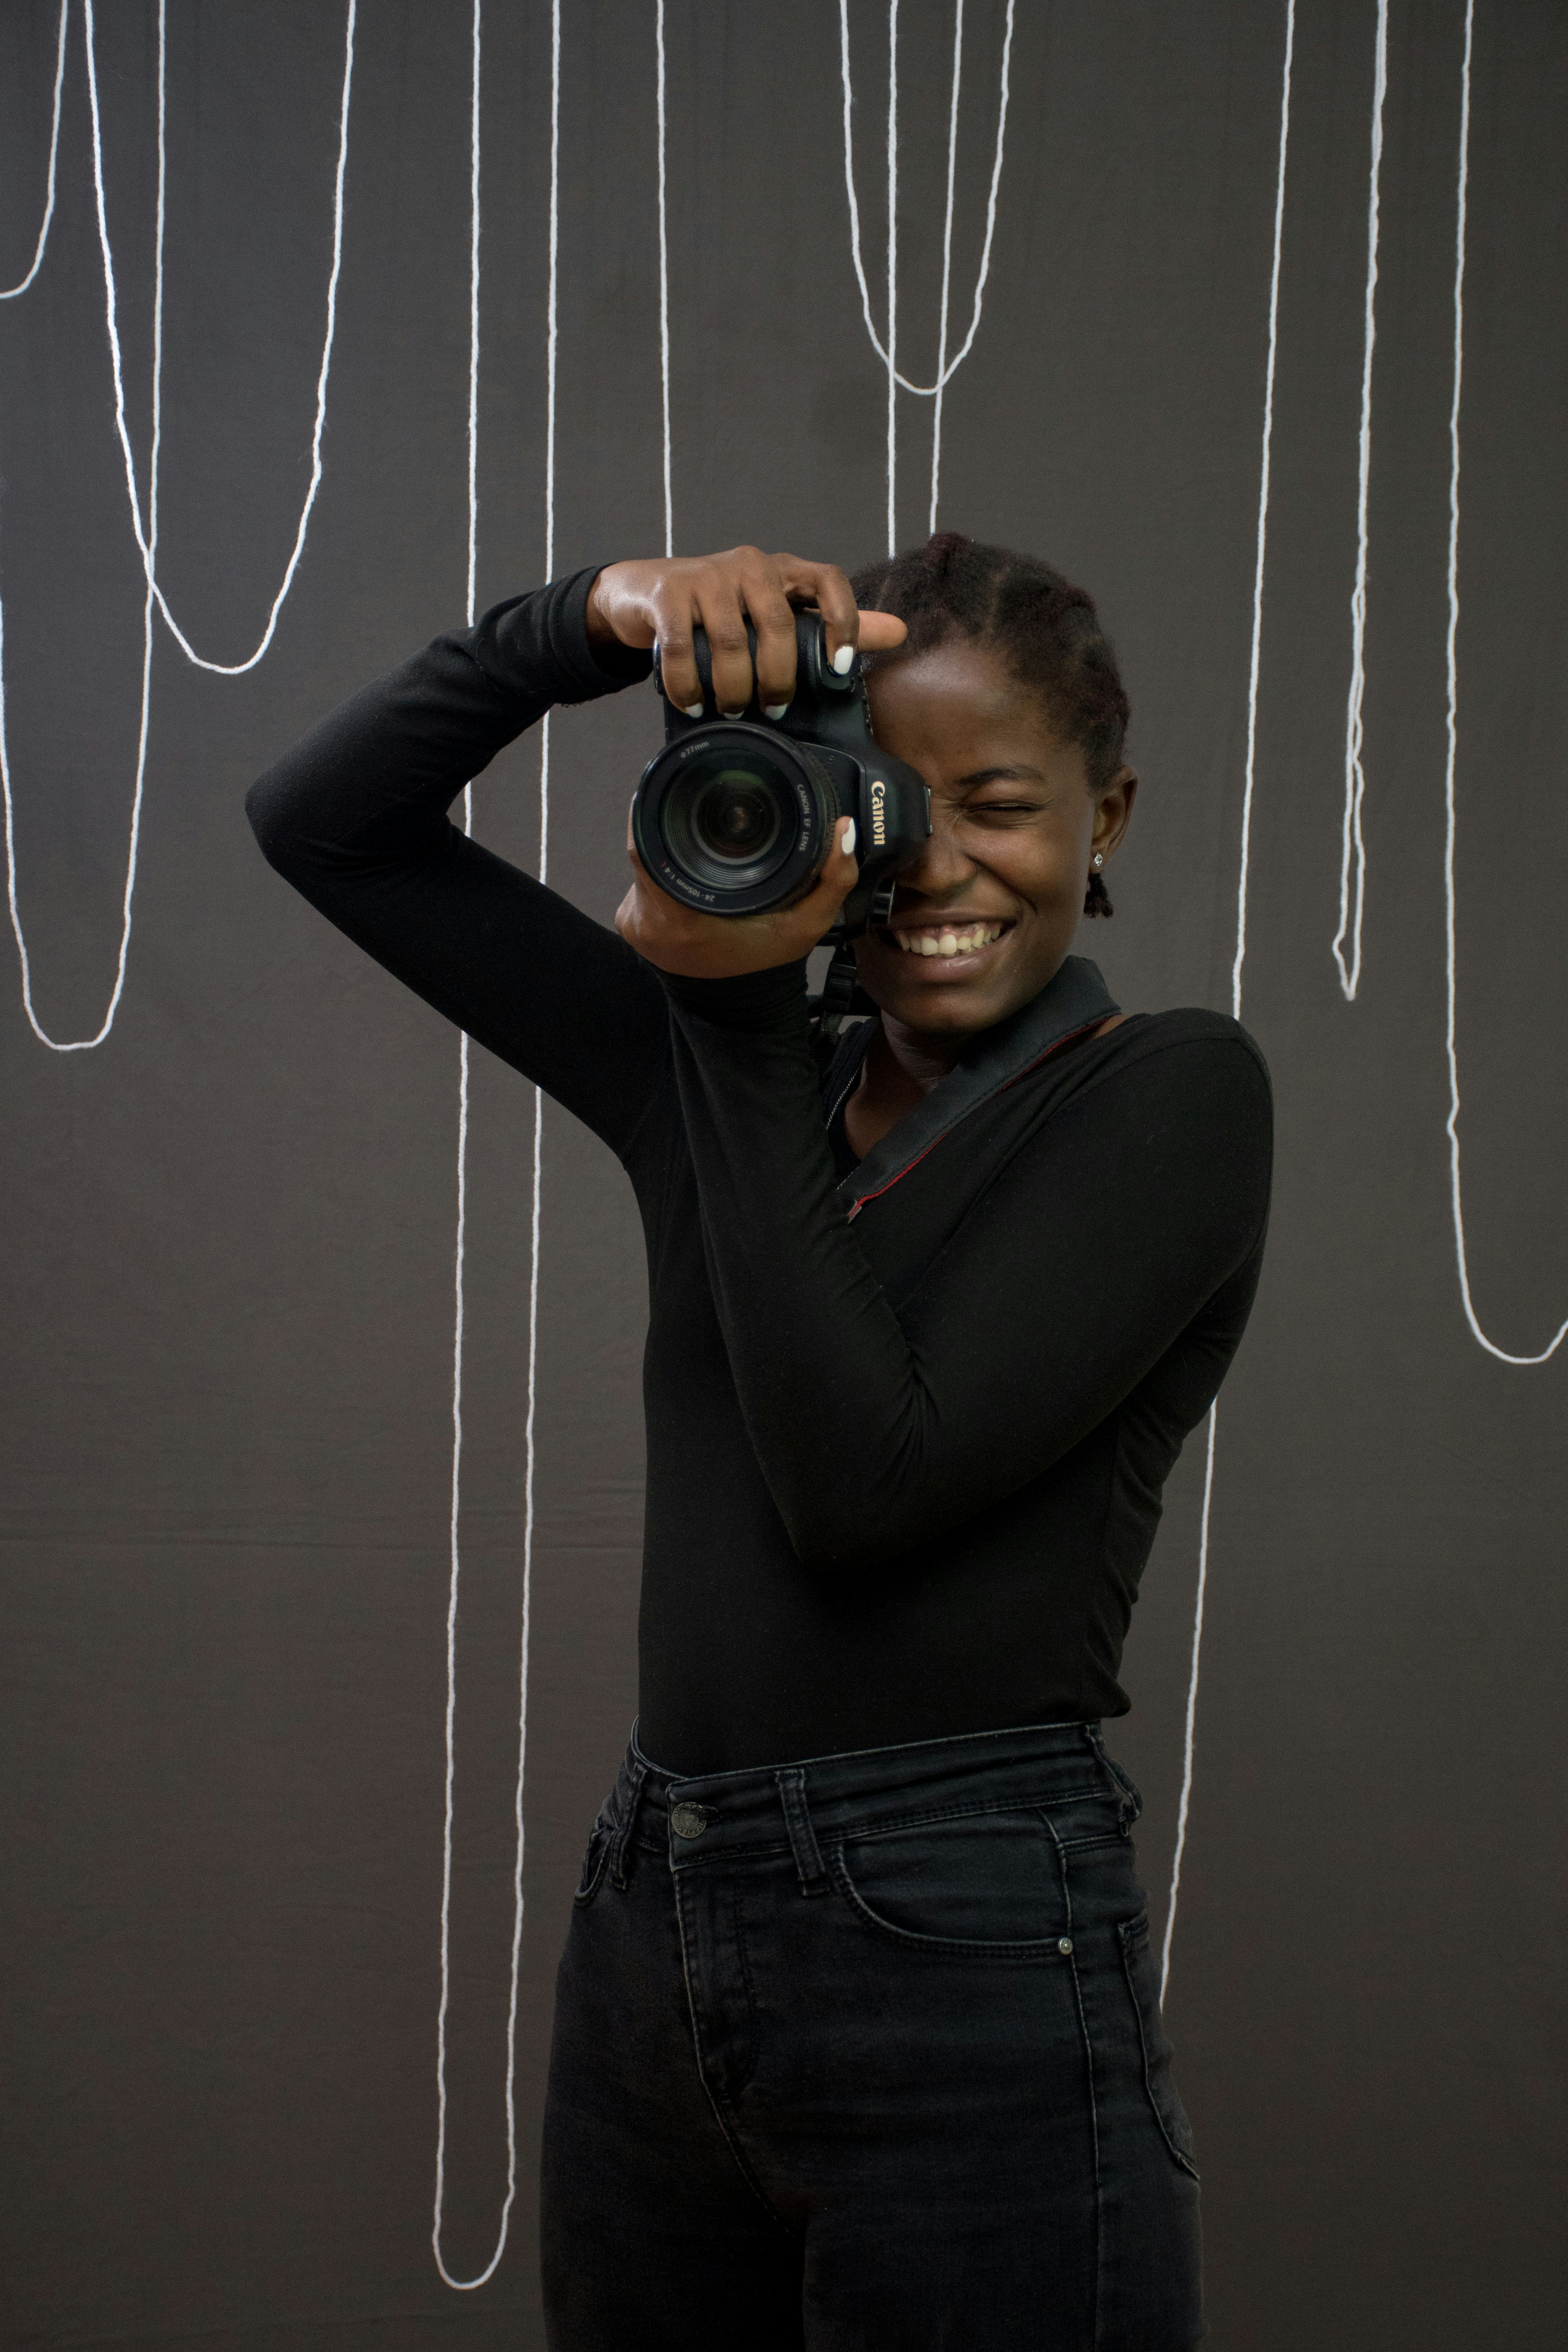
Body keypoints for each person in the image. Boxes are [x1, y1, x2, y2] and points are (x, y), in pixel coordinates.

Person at [247, 534, 1272, 2351]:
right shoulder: (716, 1079)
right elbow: (324, 823)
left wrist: (724, 1007)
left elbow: (860, 1481)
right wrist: (588, 621)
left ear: (1106, 815)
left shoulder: (1171, 1097)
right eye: (880, 804)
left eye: (1003, 806)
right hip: (656, 1915)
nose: (935, 869)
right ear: (813, 804)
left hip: (963, 1933)